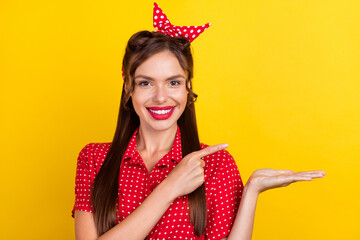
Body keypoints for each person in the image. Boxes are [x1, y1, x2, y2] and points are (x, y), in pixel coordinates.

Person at [71, 3, 326, 240]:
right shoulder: (94, 159)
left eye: (173, 82)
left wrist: (251, 191)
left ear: (187, 88)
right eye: (146, 83)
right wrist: (170, 187)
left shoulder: (216, 164)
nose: (161, 97)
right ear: (128, 88)